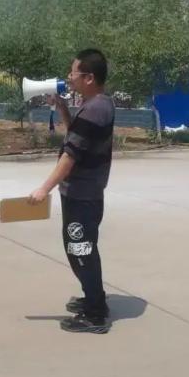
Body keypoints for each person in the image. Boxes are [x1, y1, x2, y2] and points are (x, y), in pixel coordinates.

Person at [28, 49, 115, 334]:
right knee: (81, 247)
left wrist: (44, 188)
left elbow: (71, 155)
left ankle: (96, 314)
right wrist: (64, 110)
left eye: (74, 72)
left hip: (82, 194)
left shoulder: (94, 109)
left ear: (89, 78)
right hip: (84, 193)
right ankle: (93, 297)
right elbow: (77, 137)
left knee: (80, 249)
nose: (69, 77)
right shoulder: (97, 105)